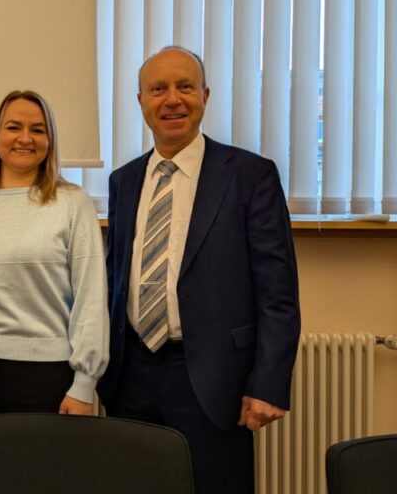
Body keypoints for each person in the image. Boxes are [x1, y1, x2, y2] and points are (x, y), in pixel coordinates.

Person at [97, 46, 300, 492]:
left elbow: (278, 292)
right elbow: (116, 278)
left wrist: (268, 383)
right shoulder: (123, 181)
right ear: (141, 102)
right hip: (131, 377)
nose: (172, 99)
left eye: (185, 87)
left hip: (212, 379)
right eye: (158, 89)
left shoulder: (249, 175)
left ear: (205, 95)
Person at [0, 90, 108, 418]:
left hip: (49, 375)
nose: (25, 138)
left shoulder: (73, 203)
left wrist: (84, 384)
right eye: (13, 127)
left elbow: (91, 298)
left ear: (50, 140)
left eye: (38, 129)